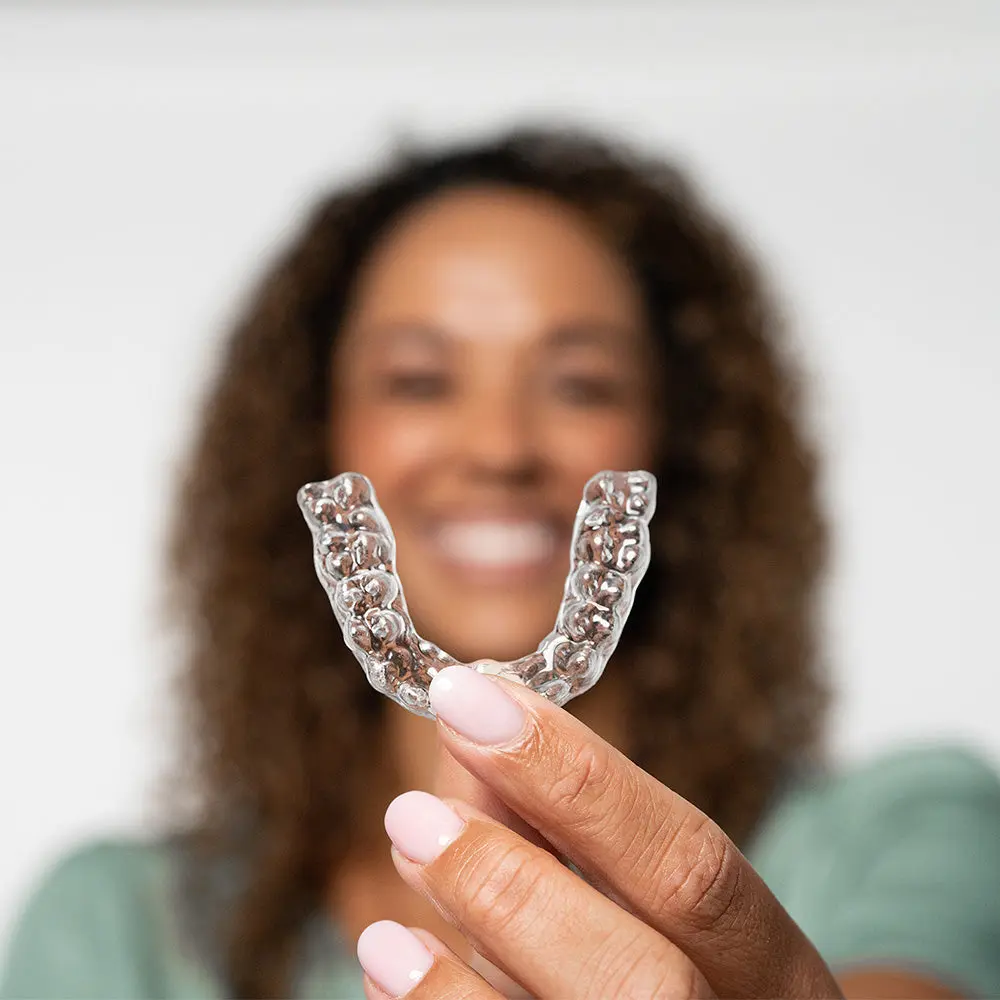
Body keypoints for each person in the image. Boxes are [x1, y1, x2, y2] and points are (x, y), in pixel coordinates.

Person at [4, 127, 1000, 1000]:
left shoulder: (905, 832)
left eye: (579, 382)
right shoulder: (113, 926)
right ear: (312, 439)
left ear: (673, 443)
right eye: (420, 378)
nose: (499, 445)